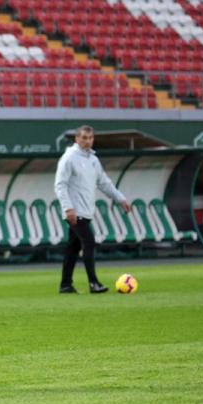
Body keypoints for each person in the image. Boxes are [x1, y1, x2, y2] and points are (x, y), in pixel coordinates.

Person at [54, 125, 130, 294]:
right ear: (77, 139)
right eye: (84, 138)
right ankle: (93, 283)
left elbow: (104, 183)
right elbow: (60, 185)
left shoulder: (93, 159)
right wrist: (68, 208)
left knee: (73, 248)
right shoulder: (69, 158)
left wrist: (120, 199)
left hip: (86, 211)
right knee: (89, 242)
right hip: (74, 211)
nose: (87, 141)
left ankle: (65, 285)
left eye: (90, 138)